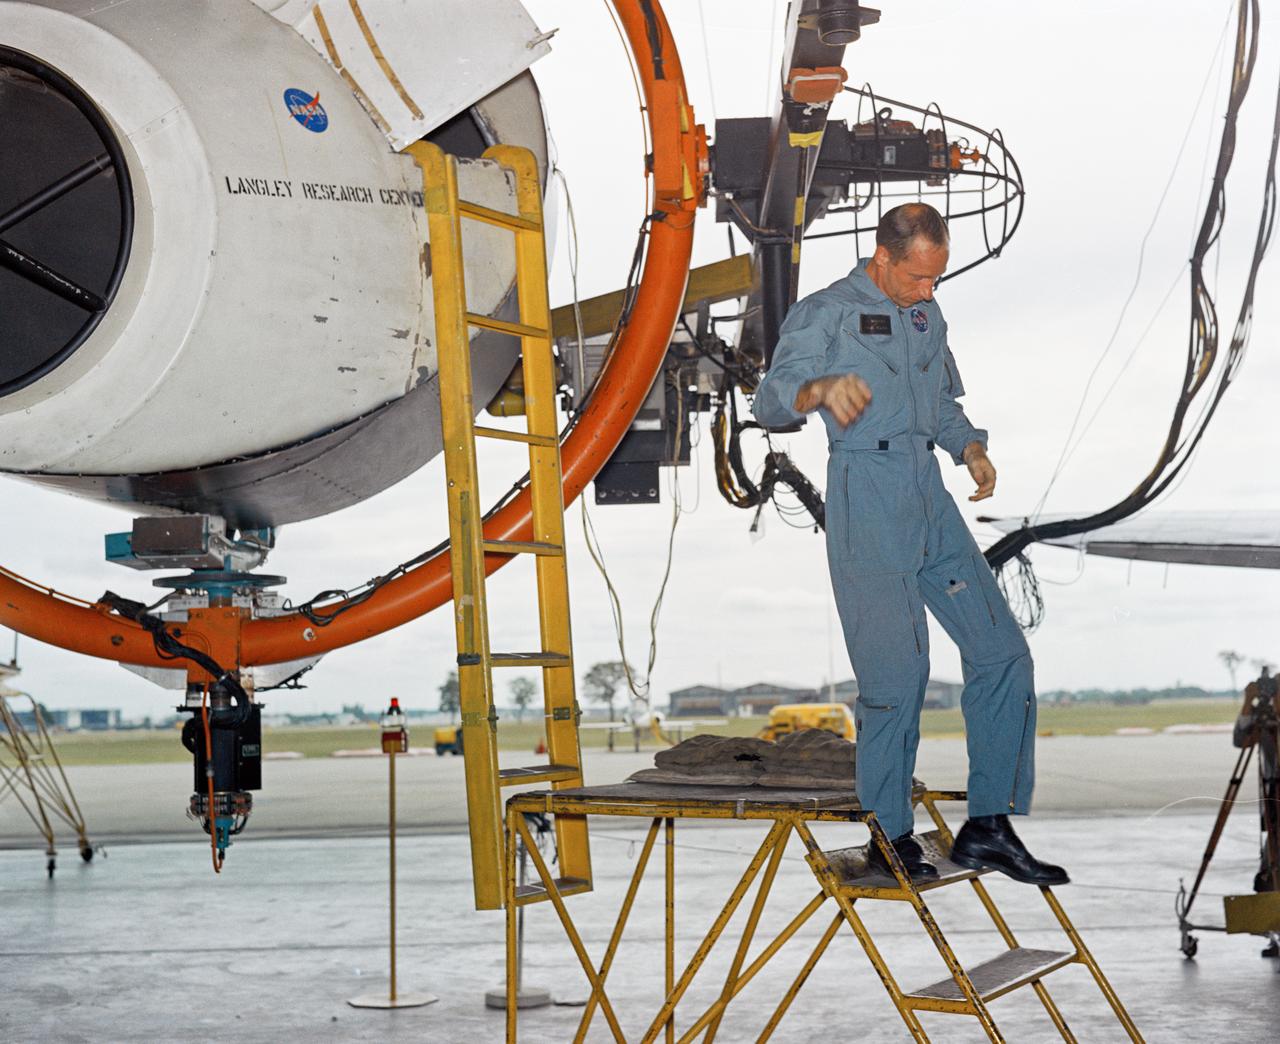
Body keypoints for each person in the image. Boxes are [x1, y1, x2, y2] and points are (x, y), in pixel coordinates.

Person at [752, 203, 1067, 885]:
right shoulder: (825, 313)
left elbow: (939, 404)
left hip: (929, 491)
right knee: (897, 681)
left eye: (936, 279)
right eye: (917, 278)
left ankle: (989, 825)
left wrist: (971, 448)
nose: (928, 292)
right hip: (866, 492)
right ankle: (890, 839)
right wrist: (821, 387)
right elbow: (770, 402)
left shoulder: (927, 313)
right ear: (883, 257)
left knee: (1003, 653)